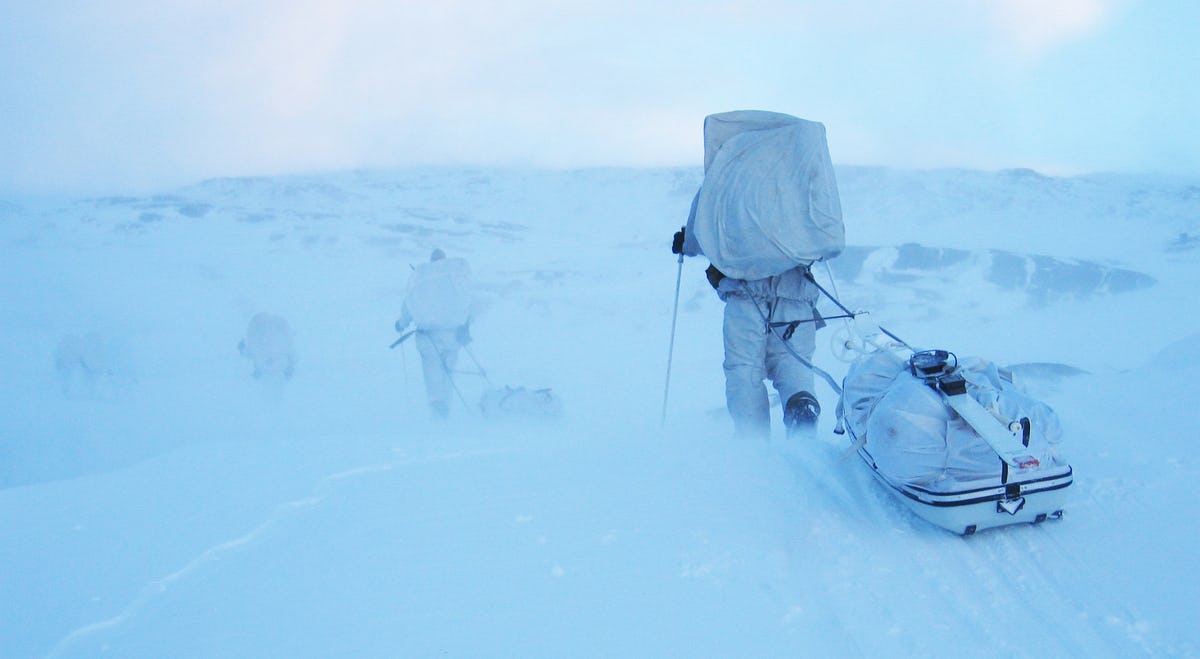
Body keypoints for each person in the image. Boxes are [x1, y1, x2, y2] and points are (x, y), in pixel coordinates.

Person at [673, 225, 822, 439]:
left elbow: (707, 220)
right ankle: (801, 409)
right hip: (796, 291)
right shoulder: (799, 190)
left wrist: (688, 242)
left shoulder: (724, 189)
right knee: (792, 362)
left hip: (744, 294)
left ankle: (754, 441)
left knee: (744, 369)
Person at [394, 248, 474, 418]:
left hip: (428, 336)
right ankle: (446, 405)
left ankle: (437, 407)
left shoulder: (421, 281)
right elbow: (467, 303)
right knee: (448, 371)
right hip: (452, 334)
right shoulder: (454, 280)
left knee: (432, 371)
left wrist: (401, 324)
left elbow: (408, 305)